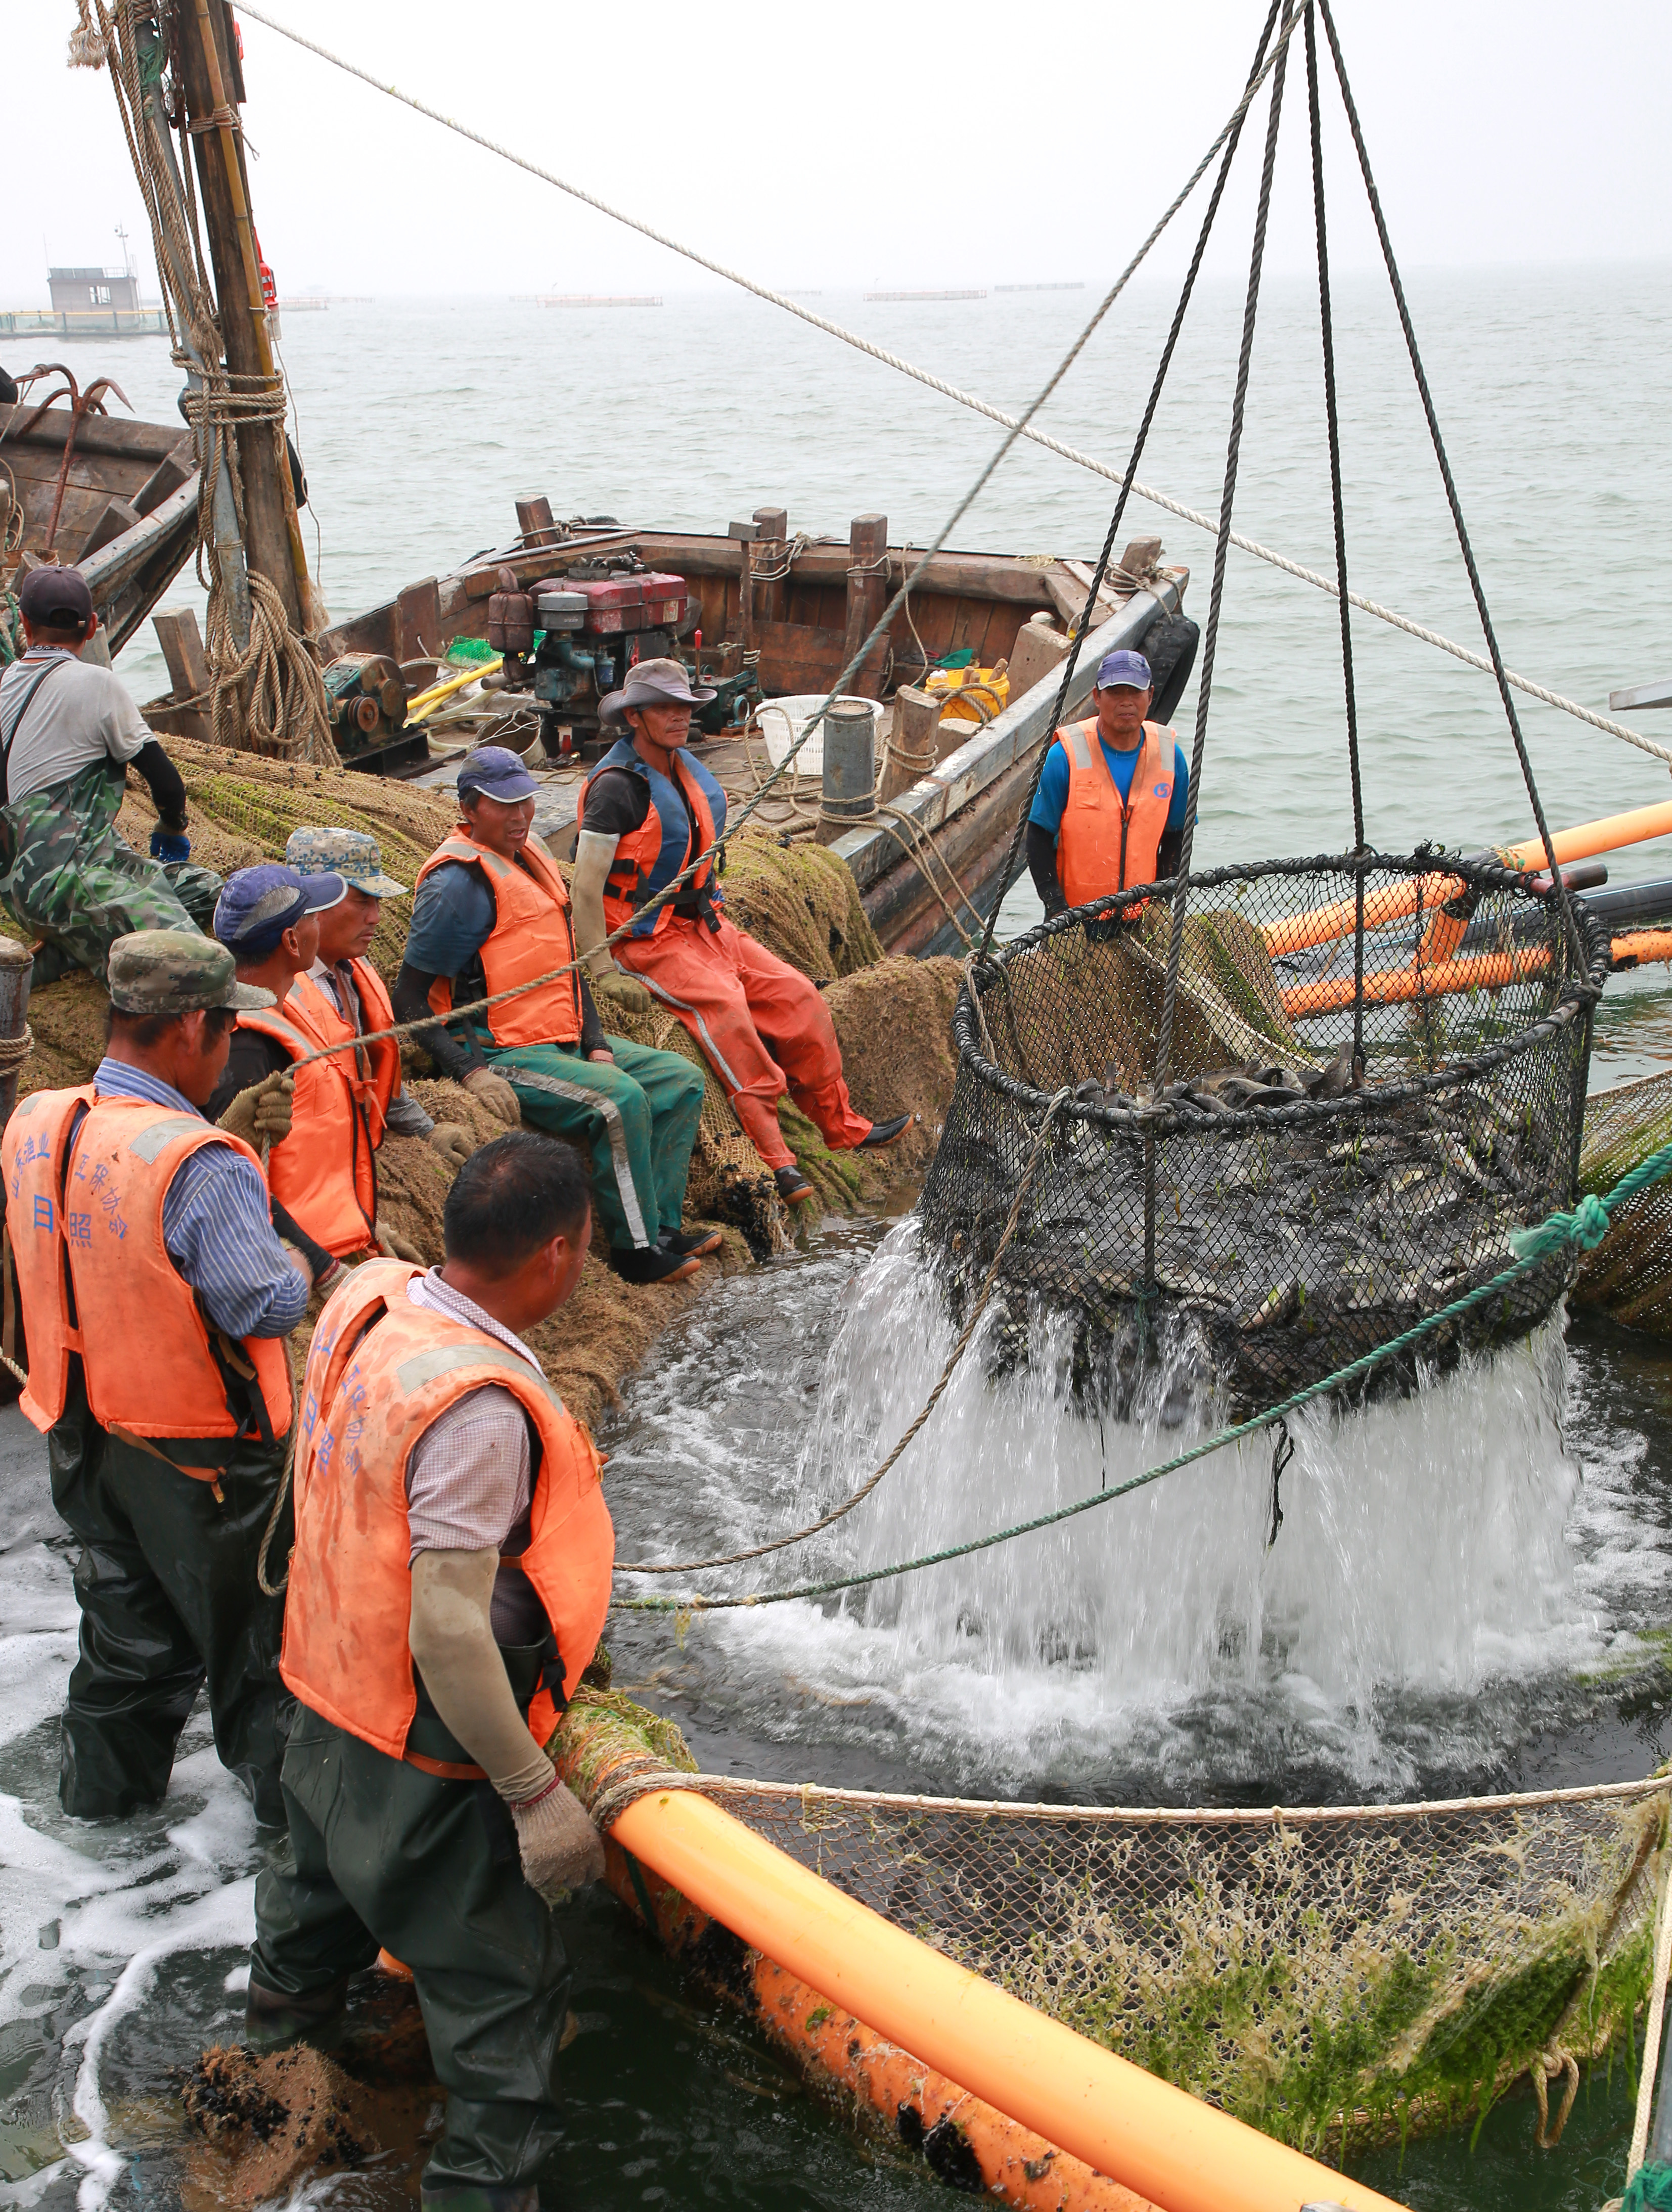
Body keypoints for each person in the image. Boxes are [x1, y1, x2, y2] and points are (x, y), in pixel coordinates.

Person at [248, 1131, 612, 2212]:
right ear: (558, 1251)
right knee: (505, 1998)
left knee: (306, 1932)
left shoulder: (369, 1296)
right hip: (419, 1754)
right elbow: (449, 1632)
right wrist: (536, 1795)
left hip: (318, 1697)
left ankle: (266, 2122)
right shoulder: (479, 1408)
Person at [1, 929, 320, 1823]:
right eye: (225, 1034)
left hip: (82, 1433)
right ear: (191, 1029)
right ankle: (296, 1862)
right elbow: (258, 1306)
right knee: (258, 1658)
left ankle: (99, 1815)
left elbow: (107, 1225)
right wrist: (304, 1269)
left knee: (127, 1641)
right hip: (203, 1464)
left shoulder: (40, 1120)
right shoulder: (202, 1164)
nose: (226, 1053)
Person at [572, 659, 911, 1206]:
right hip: (644, 938)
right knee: (727, 1012)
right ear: (634, 716)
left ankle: (841, 1126)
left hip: (707, 924)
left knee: (799, 999)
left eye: (685, 707)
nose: (679, 717)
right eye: (665, 707)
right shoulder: (616, 790)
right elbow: (585, 890)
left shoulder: (684, 769)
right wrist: (603, 969)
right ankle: (779, 1160)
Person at [392, 747, 714, 1287]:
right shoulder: (455, 886)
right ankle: (633, 1252)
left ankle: (660, 1229)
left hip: (559, 1033)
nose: (520, 817)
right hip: (504, 1048)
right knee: (621, 1100)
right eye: (504, 806)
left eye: (526, 801)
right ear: (470, 809)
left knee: (679, 1080)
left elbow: (564, 965)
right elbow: (408, 999)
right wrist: (469, 1069)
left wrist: (596, 1041)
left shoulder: (534, 857)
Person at [207, 837, 473, 1262]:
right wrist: (323, 1268)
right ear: (294, 940)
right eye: (309, 914)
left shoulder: (338, 980)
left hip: (343, 1206)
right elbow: (241, 1184)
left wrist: (423, 1133)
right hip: (304, 1246)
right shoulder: (252, 1039)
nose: (376, 917)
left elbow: (355, 1083)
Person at [0, 565, 222, 982]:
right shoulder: (98, 683)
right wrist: (171, 827)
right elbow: (168, 784)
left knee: (203, 887)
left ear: (24, 625)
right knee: (194, 971)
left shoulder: (2, 684)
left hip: (20, 893)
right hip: (74, 887)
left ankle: (71, 948)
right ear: (93, 628)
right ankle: (77, 944)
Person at [1025, 648, 1191, 923]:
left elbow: (1178, 835)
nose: (1126, 702)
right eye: (1115, 692)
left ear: (1150, 696)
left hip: (1142, 919)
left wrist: (1162, 901)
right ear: (1097, 697)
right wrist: (1057, 909)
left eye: (1135, 692)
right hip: (1075, 919)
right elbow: (1038, 839)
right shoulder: (1064, 756)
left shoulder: (1171, 757)